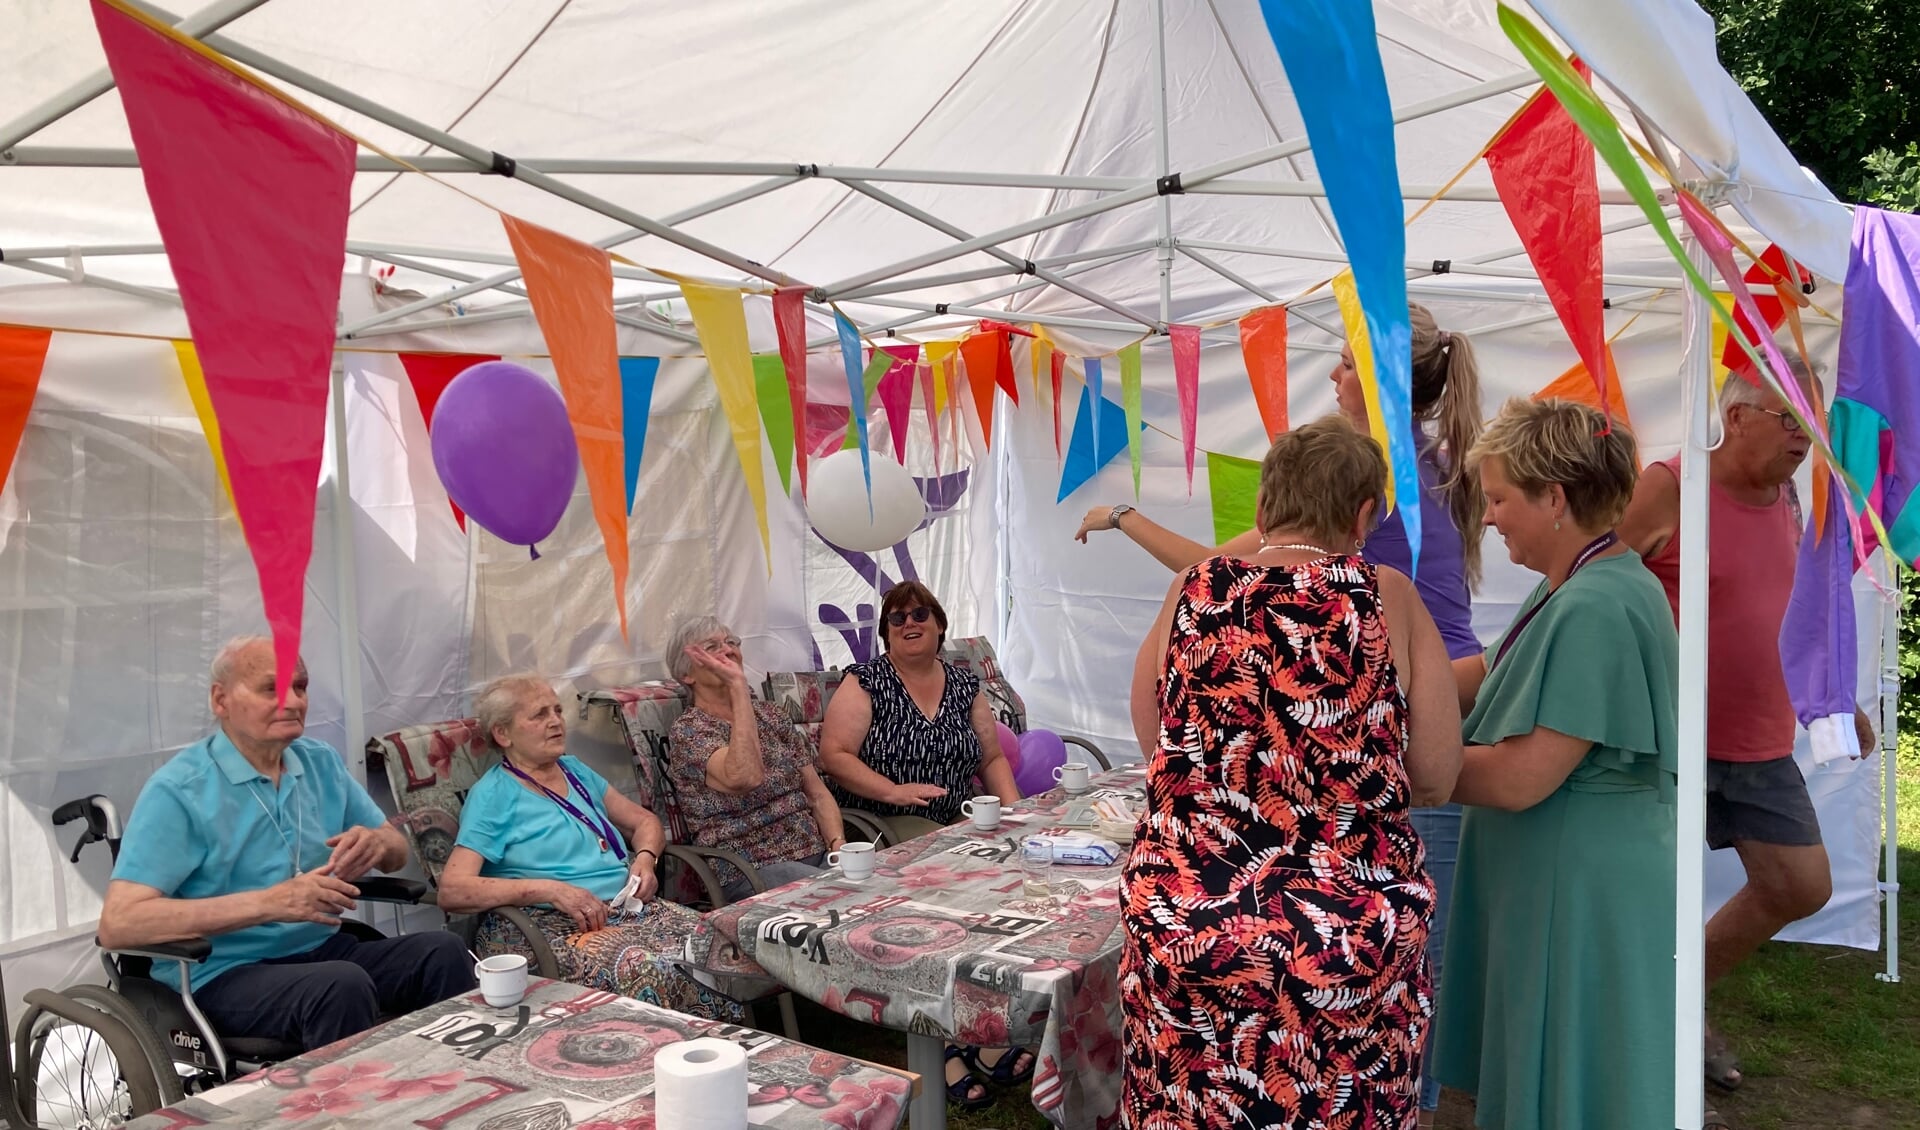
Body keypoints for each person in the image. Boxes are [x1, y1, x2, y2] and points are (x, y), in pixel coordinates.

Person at [1079, 302, 1484, 1122]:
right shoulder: (1389, 599)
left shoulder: (1195, 590)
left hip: (1192, 929)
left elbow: (1155, 735)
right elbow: (1436, 775)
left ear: (1262, 509)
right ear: (1366, 516)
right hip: (1340, 951)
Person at [1618, 359, 1873, 1093]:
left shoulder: (1793, 499)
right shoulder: (1671, 486)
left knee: (1799, 884)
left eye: (1812, 424)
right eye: (1790, 419)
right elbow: (1593, 585)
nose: (1805, 439)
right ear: (1736, 419)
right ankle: (1636, 1033)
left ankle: (1681, 998)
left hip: (1760, 738)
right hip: (1666, 739)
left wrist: (1833, 697)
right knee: (1641, 900)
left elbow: (1790, 610)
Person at [1435, 398, 1677, 1130]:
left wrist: (1378, 762)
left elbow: (1520, 775)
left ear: (1555, 499)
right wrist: (1380, 678)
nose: (1490, 518)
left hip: (1578, 888)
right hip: (1561, 878)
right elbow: (1492, 667)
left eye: (1501, 498)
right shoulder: (1576, 580)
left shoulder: (1594, 605)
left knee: (1571, 1087)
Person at [99, 636, 474, 1054]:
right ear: (220, 700)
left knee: (443, 951)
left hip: (320, 949)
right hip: (220, 972)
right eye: (271, 689)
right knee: (339, 986)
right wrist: (270, 903)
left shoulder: (318, 762)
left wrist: (378, 844)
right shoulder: (179, 791)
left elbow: (396, 851)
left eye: (300, 687)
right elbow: (119, 924)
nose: (293, 701)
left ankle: (451, 1089)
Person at [437, 675, 742, 1022]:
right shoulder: (493, 794)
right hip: (546, 925)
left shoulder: (574, 770)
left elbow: (645, 823)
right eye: (538, 715)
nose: (555, 721)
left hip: (623, 909)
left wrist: (646, 858)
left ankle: (734, 1054)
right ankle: (664, 1064)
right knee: (646, 971)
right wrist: (550, 890)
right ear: (503, 734)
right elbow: (454, 889)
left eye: (557, 710)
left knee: (722, 944)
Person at [818, 580, 1019, 838]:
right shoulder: (865, 681)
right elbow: (834, 756)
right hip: (881, 819)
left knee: (1002, 838)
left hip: (955, 812)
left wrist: (1017, 812)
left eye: (920, 614)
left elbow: (991, 759)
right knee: (952, 849)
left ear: (940, 624)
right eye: (898, 618)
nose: (909, 623)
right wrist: (892, 790)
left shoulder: (964, 685)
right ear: (887, 635)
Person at [665, 616, 847, 901]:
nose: (727, 650)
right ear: (687, 674)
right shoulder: (689, 731)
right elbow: (745, 777)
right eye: (712, 647)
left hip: (816, 856)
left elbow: (816, 793)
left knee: (874, 884)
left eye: (731, 643)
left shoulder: (771, 715)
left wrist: (837, 846)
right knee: (846, 896)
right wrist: (738, 687)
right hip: (749, 870)